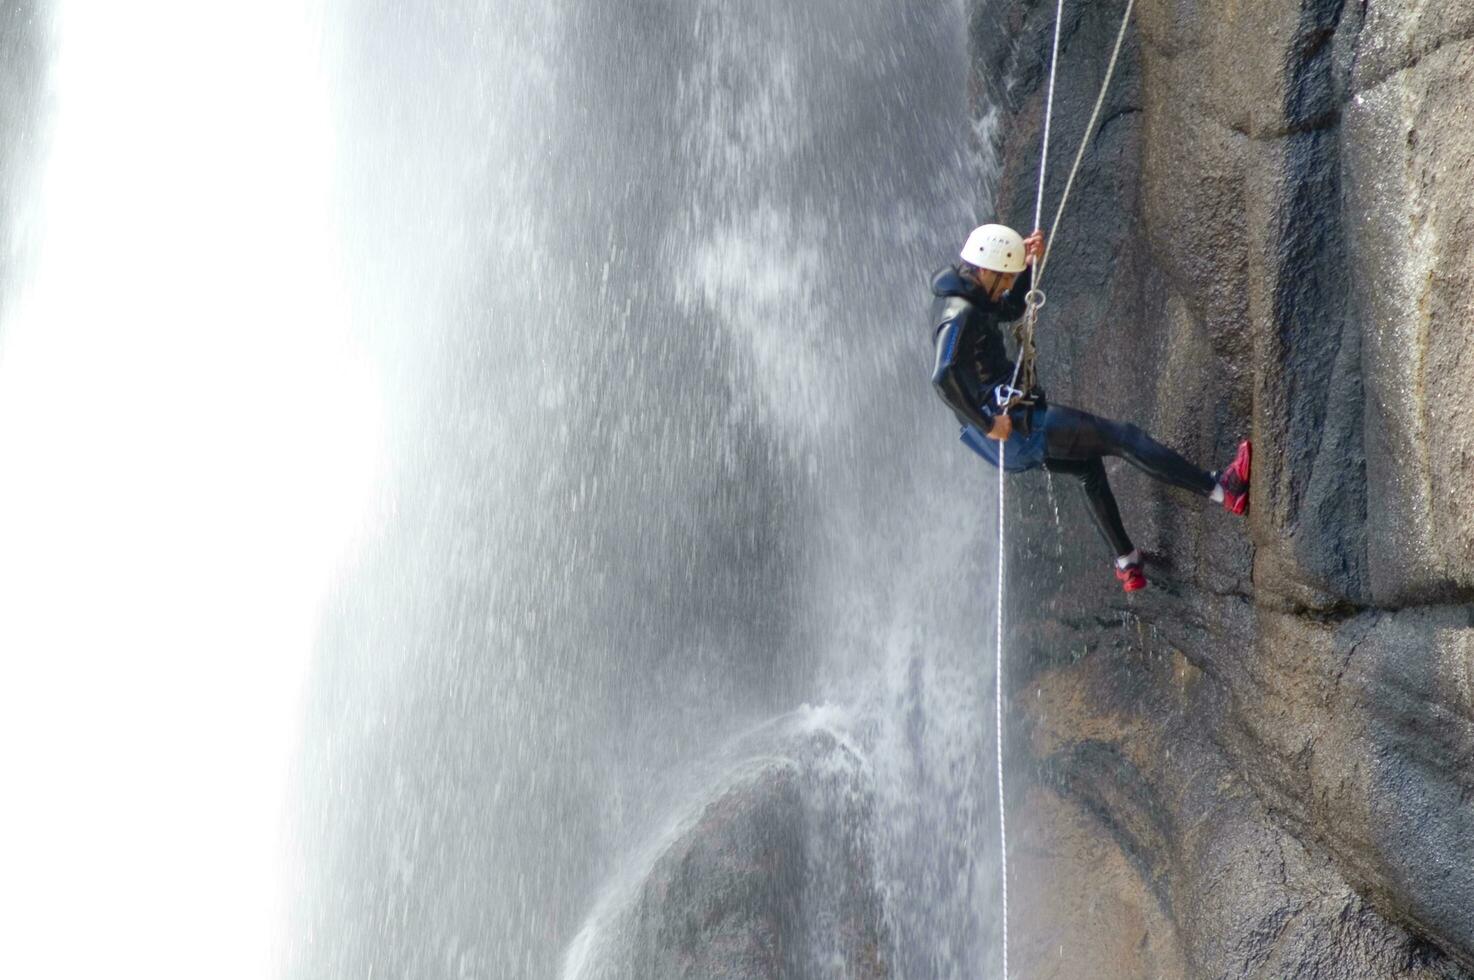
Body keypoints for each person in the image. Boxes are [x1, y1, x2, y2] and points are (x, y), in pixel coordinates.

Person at [929, 223, 1251, 592]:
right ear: (986, 269)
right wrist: (988, 422)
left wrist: (1028, 266)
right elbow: (943, 376)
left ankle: (1127, 561)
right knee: (1124, 438)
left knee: (1088, 469)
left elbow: (1009, 307)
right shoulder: (960, 312)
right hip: (1015, 428)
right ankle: (1225, 490)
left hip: (1001, 443)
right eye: (1005, 277)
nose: (1006, 286)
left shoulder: (970, 292)